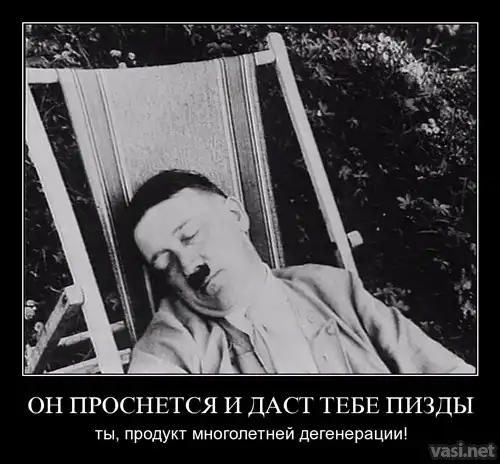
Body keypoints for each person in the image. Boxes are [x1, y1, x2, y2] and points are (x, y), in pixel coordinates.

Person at [125, 169, 475, 374]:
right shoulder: (171, 342)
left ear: (235, 215)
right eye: (165, 265)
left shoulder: (331, 290)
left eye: (191, 235)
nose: (189, 266)